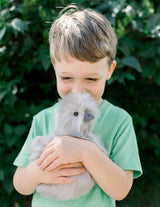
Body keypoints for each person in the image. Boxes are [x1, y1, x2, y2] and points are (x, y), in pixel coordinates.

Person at [13, 5, 142, 207]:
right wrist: (35, 172)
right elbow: (21, 184)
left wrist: (86, 151)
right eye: (66, 77)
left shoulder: (119, 121)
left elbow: (121, 190)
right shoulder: (43, 118)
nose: (77, 90)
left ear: (110, 71)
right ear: (55, 68)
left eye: (91, 78)